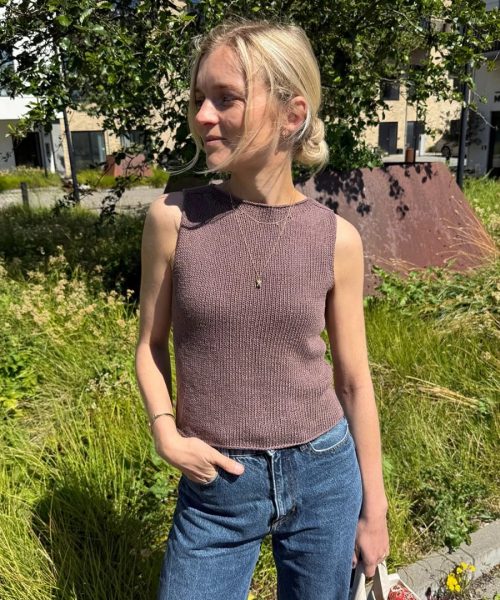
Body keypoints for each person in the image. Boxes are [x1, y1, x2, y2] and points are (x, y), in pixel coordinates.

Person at [135, 17, 389, 600]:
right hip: (216, 487)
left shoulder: (336, 239)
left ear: (292, 115)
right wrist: (165, 432)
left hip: (325, 474)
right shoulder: (172, 220)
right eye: (199, 99)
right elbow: (149, 345)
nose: (202, 116)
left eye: (226, 98)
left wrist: (373, 509)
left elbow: (354, 382)